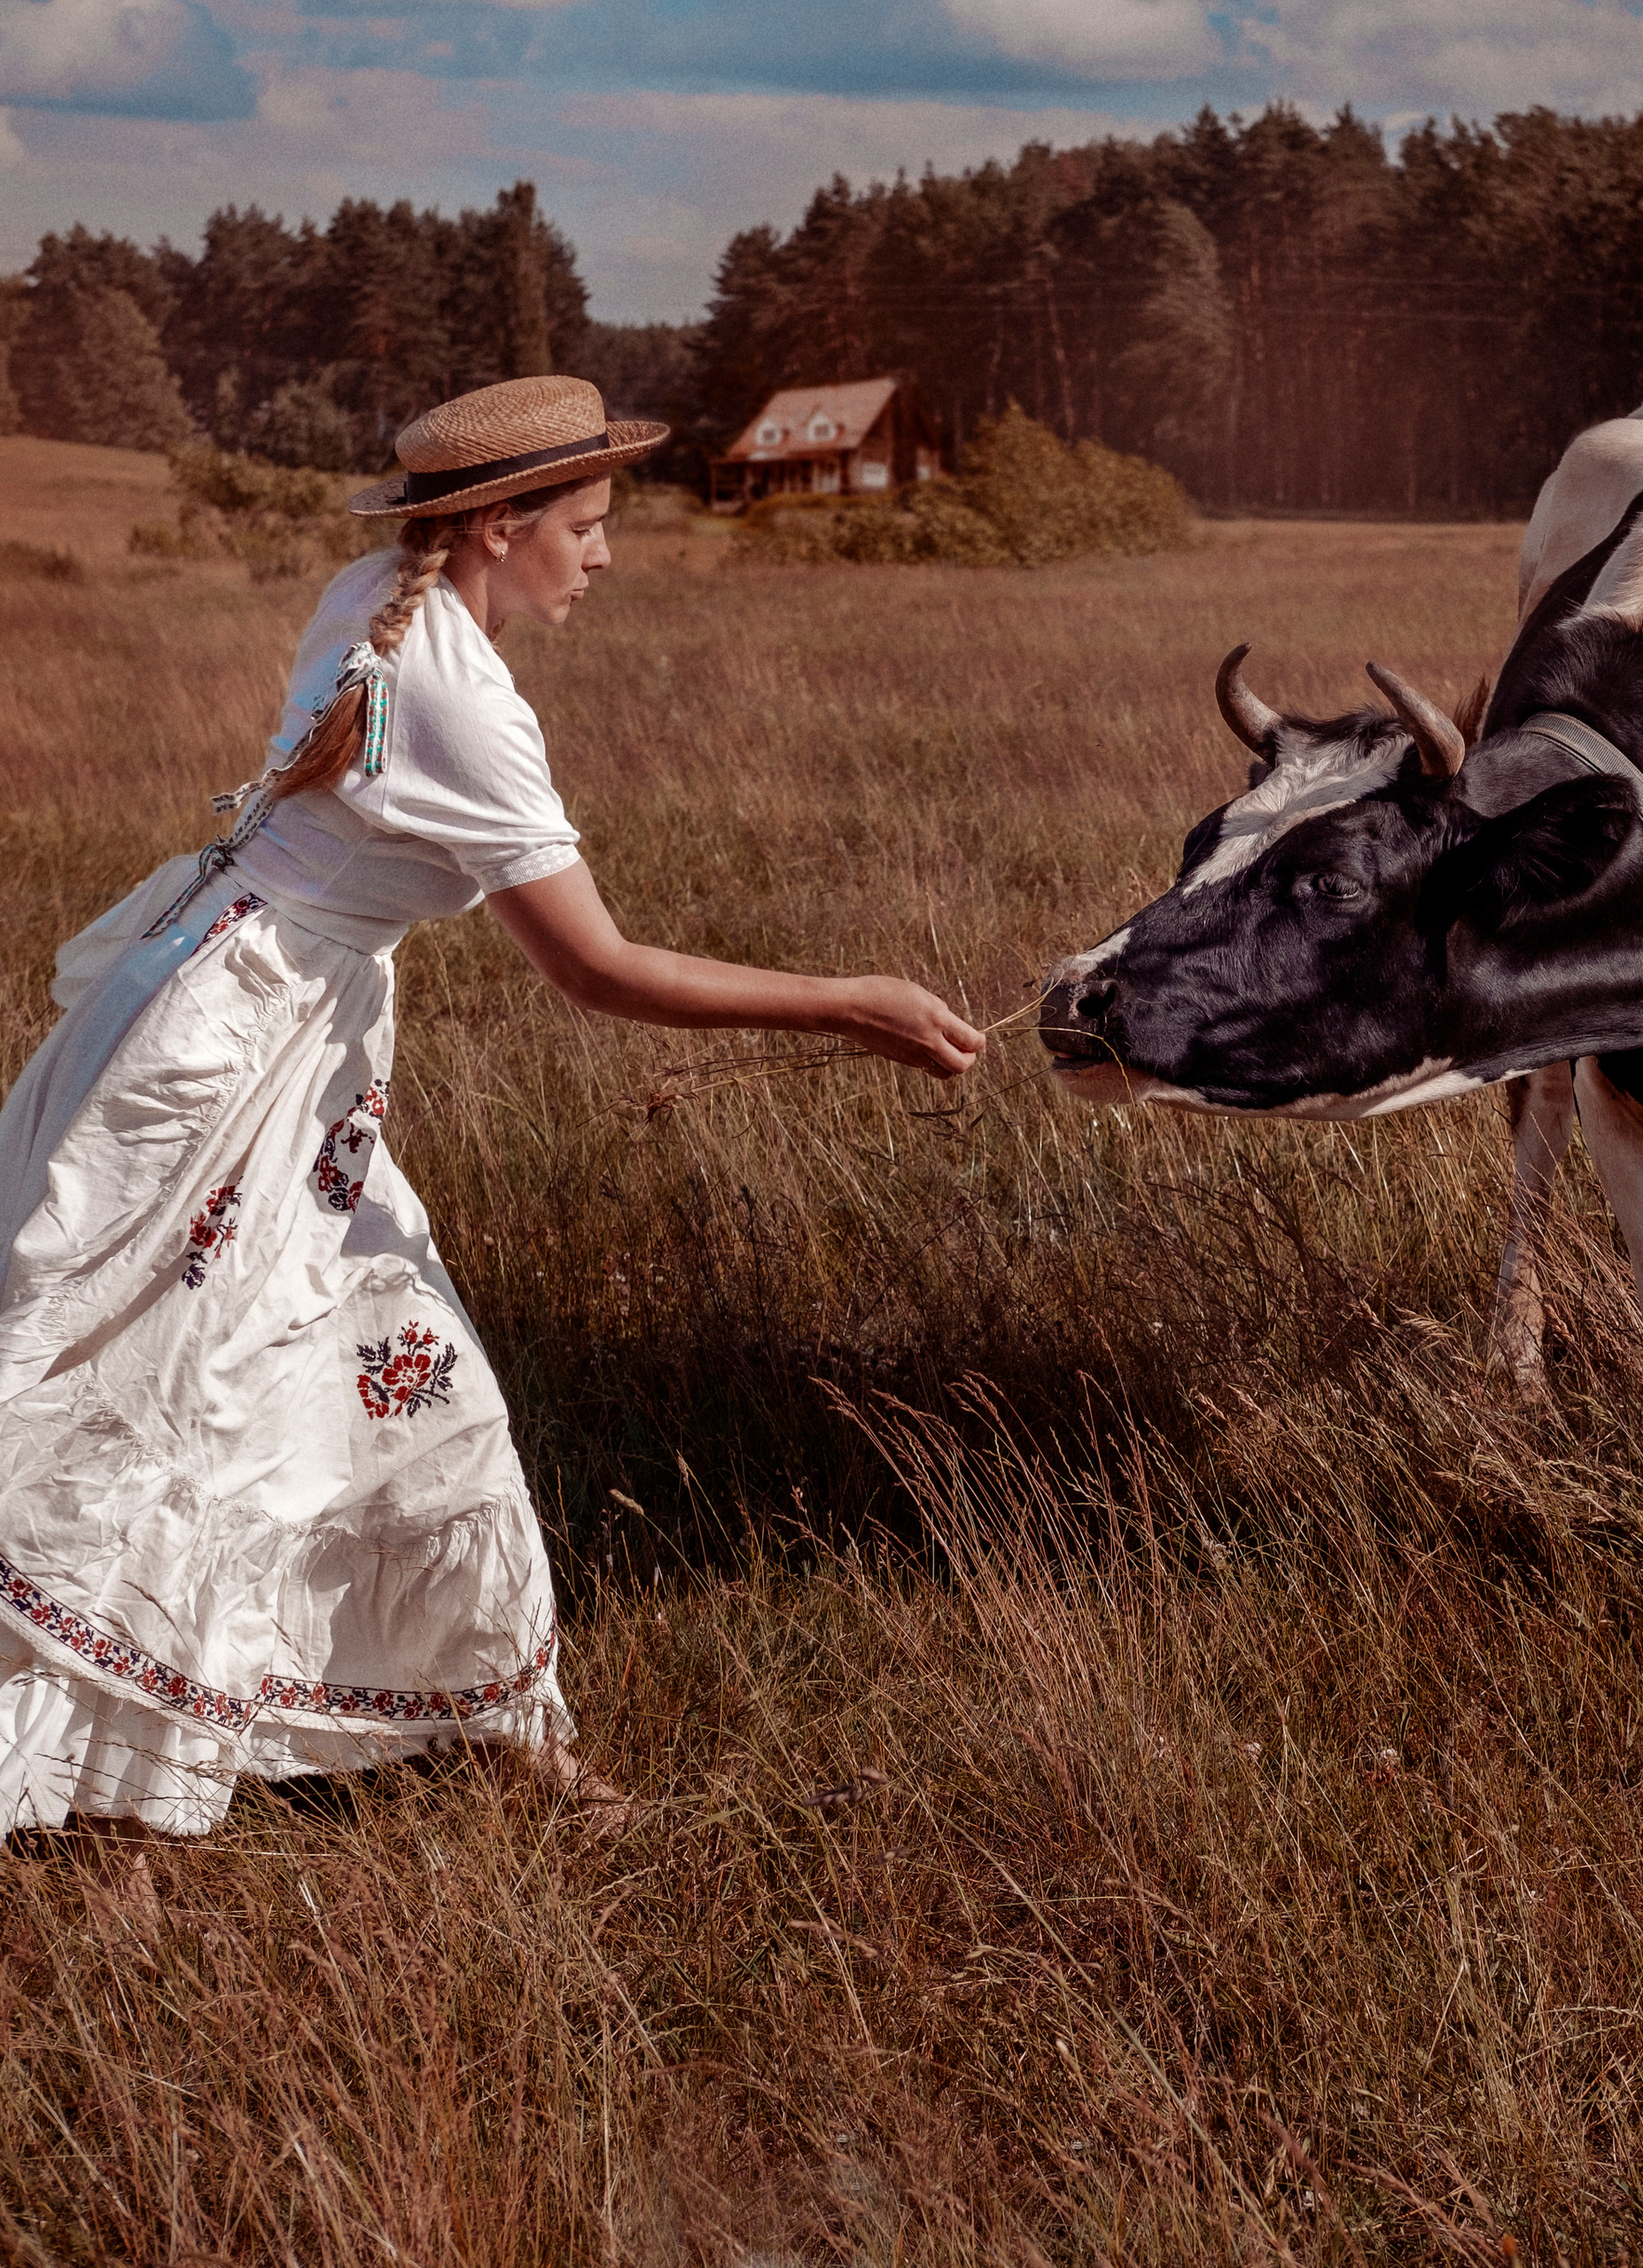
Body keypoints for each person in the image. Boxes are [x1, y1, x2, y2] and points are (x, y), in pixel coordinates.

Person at [0, 375, 984, 1840]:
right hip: (236, 1058)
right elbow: (598, 969)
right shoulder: (459, 698)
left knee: (386, 1377)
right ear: (497, 527)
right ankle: (125, 1801)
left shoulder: (376, 595)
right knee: (174, 1399)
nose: (607, 555)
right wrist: (853, 1002)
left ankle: (497, 1737)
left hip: (222, 1009)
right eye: (585, 527)